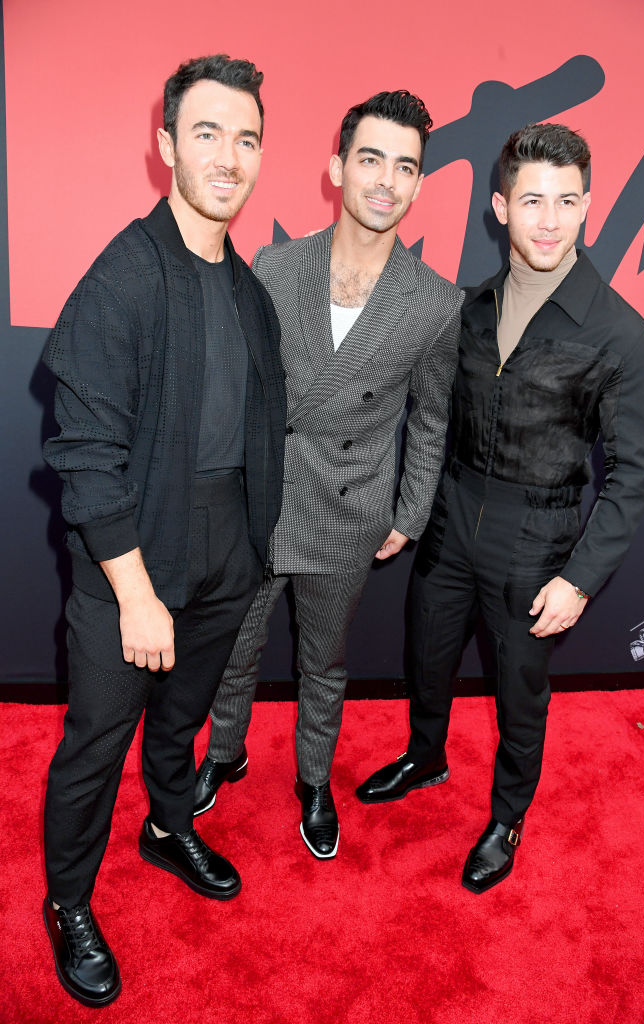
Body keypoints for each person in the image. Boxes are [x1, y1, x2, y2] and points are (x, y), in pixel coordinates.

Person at [357, 123, 644, 893]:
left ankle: (506, 816)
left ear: (588, 207)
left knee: (518, 691)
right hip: (453, 515)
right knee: (426, 657)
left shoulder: (622, 335)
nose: (549, 220)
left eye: (566, 201)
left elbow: (630, 476)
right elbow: (429, 418)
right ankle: (425, 755)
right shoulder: (466, 308)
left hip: (539, 539)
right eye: (531, 200)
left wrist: (579, 581)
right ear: (499, 207)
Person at [41, 55, 286, 1007]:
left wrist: (258, 547)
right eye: (207, 133)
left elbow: (262, 431)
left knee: (182, 719)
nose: (229, 156)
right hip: (132, 562)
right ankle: (67, 902)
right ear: (166, 147)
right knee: (96, 742)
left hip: (228, 546)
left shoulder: (249, 293)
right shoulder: (123, 277)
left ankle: (166, 824)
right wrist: (136, 595)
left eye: (247, 138)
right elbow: (86, 456)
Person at [195, 91, 463, 860]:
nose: (385, 180)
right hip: (263, 499)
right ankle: (223, 753)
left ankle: (313, 780)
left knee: (324, 661)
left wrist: (408, 513)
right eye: (370, 158)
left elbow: (432, 416)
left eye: (404, 167)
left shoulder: (435, 303)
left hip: (349, 511)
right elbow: (238, 390)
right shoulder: (276, 266)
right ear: (336, 167)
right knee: (234, 649)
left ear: (417, 185)